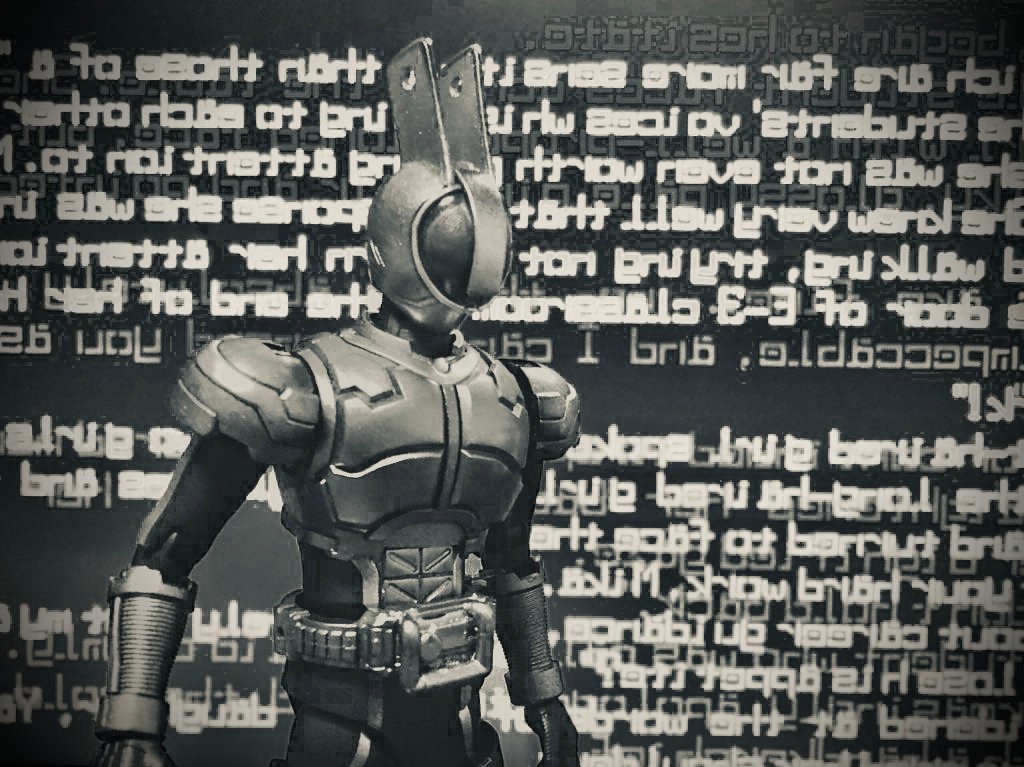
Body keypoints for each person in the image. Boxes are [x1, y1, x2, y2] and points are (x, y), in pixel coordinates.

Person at [89, 38, 581, 767]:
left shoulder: (515, 398)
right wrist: (131, 723)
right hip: (340, 726)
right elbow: (165, 552)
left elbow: (511, 564)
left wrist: (544, 697)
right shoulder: (297, 386)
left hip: (462, 724)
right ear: (401, 238)